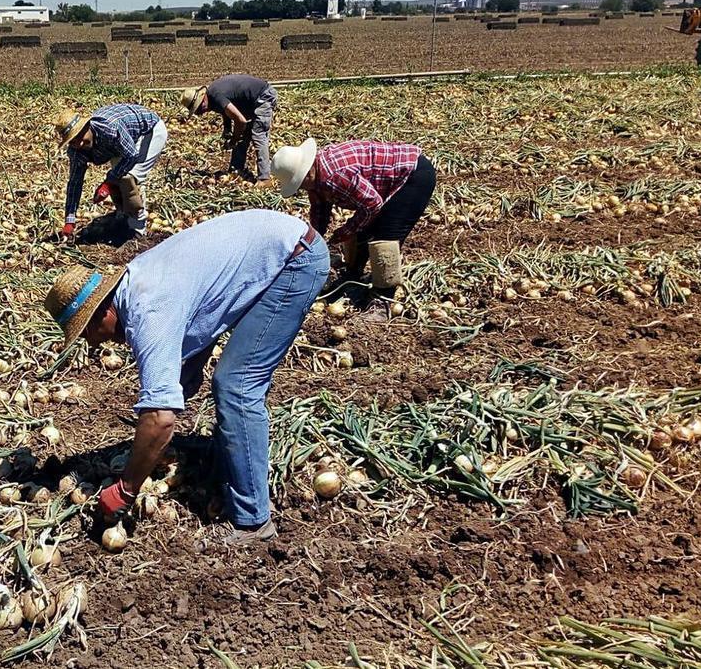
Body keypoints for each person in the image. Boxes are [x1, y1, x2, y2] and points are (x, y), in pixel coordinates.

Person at [43, 210, 330, 545]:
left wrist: (126, 488)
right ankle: (225, 455)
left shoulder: (148, 312)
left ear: (103, 312)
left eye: (89, 332)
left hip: (294, 260)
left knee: (236, 385)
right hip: (277, 245)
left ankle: (254, 524)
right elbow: (202, 311)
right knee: (219, 382)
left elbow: (161, 419)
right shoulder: (137, 281)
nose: (95, 342)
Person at [271, 138, 436, 321]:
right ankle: (353, 275)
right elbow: (320, 211)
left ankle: (382, 300)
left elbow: (372, 205)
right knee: (363, 229)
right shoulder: (315, 175)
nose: (301, 188)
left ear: (306, 174)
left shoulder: (334, 176)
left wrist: (345, 231)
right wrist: (314, 242)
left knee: (386, 235)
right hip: (388, 180)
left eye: (299, 183)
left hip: (413, 176)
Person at [53, 104, 167, 238]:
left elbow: (132, 155)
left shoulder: (110, 129)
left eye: (80, 136)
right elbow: (74, 183)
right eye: (73, 141)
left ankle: (138, 230)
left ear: (87, 126)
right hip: (123, 142)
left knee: (129, 178)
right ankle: (123, 216)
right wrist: (69, 220)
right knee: (117, 176)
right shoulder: (76, 151)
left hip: (149, 131)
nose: (79, 144)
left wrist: (108, 183)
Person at [180, 74, 278, 182]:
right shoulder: (212, 99)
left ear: (202, 100)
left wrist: (234, 139)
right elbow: (226, 111)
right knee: (242, 136)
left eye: (199, 109)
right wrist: (227, 130)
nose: (201, 113)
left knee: (258, 135)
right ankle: (235, 170)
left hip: (263, 96)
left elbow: (240, 120)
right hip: (249, 103)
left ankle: (265, 179)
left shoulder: (216, 95)